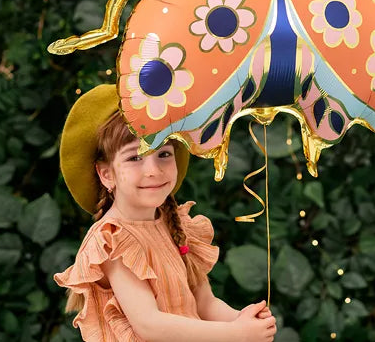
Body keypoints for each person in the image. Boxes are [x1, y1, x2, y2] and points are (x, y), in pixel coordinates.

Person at [54, 85, 277, 342]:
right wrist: (234, 334)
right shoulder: (112, 239)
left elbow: (205, 304)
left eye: (163, 154)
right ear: (106, 174)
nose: (153, 170)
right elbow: (150, 324)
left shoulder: (177, 226)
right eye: (134, 158)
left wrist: (241, 321)